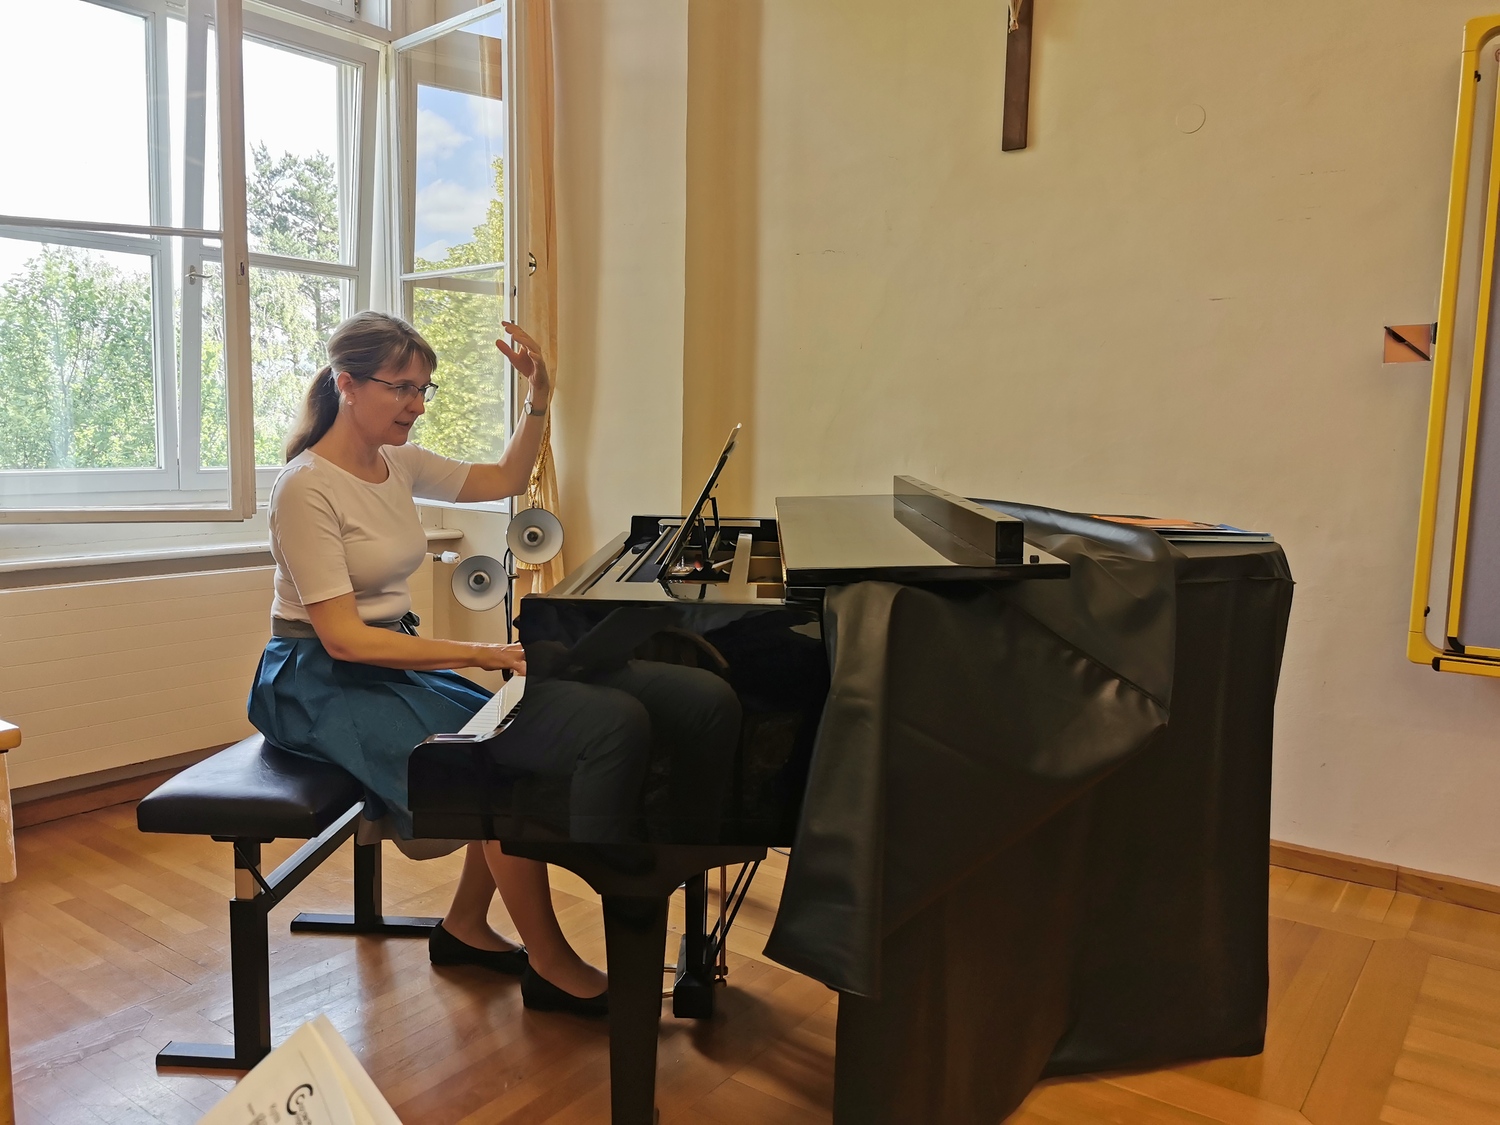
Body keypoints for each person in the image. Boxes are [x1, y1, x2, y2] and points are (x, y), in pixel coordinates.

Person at [247, 311, 739, 1018]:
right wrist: (482, 653)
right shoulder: (304, 487)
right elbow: (346, 640)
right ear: (346, 384)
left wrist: (540, 395)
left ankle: (465, 926)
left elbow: (508, 476)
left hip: (387, 659)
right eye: (401, 388)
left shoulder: (396, 462)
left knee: (496, 744)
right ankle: (550, 961)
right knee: (493, 764)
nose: (417, 405)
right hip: (316, 677)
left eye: (424, 389)